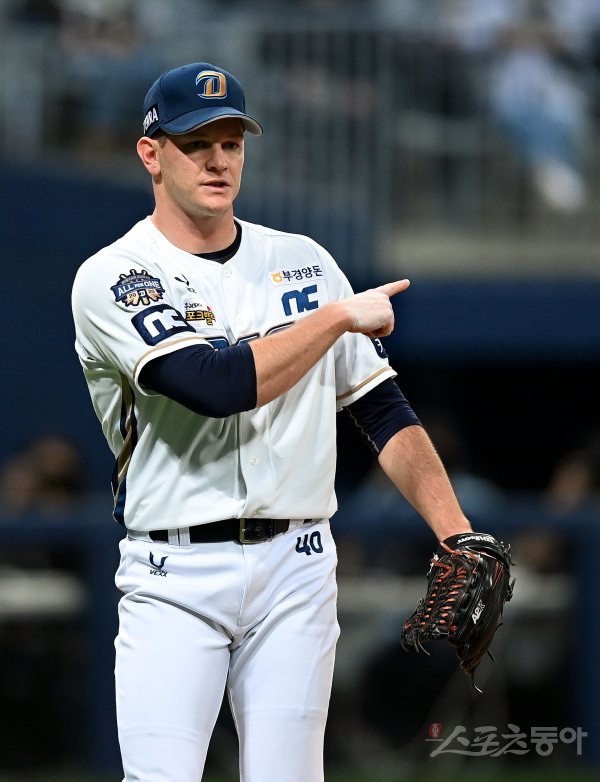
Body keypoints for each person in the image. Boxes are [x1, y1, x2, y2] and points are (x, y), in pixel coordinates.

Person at [71, 61, 475, 782]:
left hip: (298, 567)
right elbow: (212, 384)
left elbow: (381, 409)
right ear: (151, 154)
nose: (218, 160)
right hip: (174, 572)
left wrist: (457, 533)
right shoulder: (116, 273)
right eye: (196, 143)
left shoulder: (303, 261)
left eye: (231, 142)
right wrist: (338, 316)